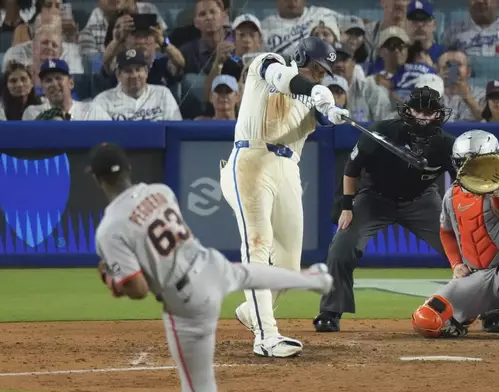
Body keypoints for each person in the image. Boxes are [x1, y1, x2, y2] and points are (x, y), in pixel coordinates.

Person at [90, 142, 334, 392]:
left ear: (98, 179)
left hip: (187, 298)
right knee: (251, 273)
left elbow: (138, 289)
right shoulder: (160, 192)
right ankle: (312, 279)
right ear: (129, 168)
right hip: (210, 264)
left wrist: (113, 280)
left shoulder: (110, 228)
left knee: (198, 385)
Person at [219, 36, 349, 358]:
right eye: (317, 67)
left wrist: (330, 112)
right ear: (303, 57)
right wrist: (316, 91)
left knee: (290, 266)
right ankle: (266, 336)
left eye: (324, 72)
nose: (320, 75)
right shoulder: (267, 63)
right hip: (251, 159)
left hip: (288, 168)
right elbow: (284, 79)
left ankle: (253, 312)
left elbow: (320, 116)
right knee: (258, 243)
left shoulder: (315, 97)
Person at [313, 86, 456, 333]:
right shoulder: (381, 132)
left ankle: (488, 311)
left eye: (429, 111)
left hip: (422, 201)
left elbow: (460, 183)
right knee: (342, 247)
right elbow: (351, 170)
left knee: (465, 248)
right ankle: (330, 311)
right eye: (418, 109)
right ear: (408, 110)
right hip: (374, 198)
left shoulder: (446, 144)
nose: (423, 116)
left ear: (438, 114)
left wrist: (459, 217)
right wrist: (347, 207)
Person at [410, 130, 499, 340]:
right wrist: (455, 264)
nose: (466, 168)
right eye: (462, 163)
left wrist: (496, 190)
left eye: (472, 163)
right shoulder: (452, 195)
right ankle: (466, 316)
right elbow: (446, 232)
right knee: (426, 321)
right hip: (475, 278)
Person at [93, 49, 182, 121]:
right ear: (118, 75)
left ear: (146, 72)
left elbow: (176, 131)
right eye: (128, 71)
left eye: (138, 69)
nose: (134, 75)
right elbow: (97, 137)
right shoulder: (102, 101)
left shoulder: (163, 94)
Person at [22, 59, 112, 120]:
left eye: (58, 78)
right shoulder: (33, 113)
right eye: (48, 80)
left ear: (71, 83)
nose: (54, 84)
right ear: (42, 88)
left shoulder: (92, 111)